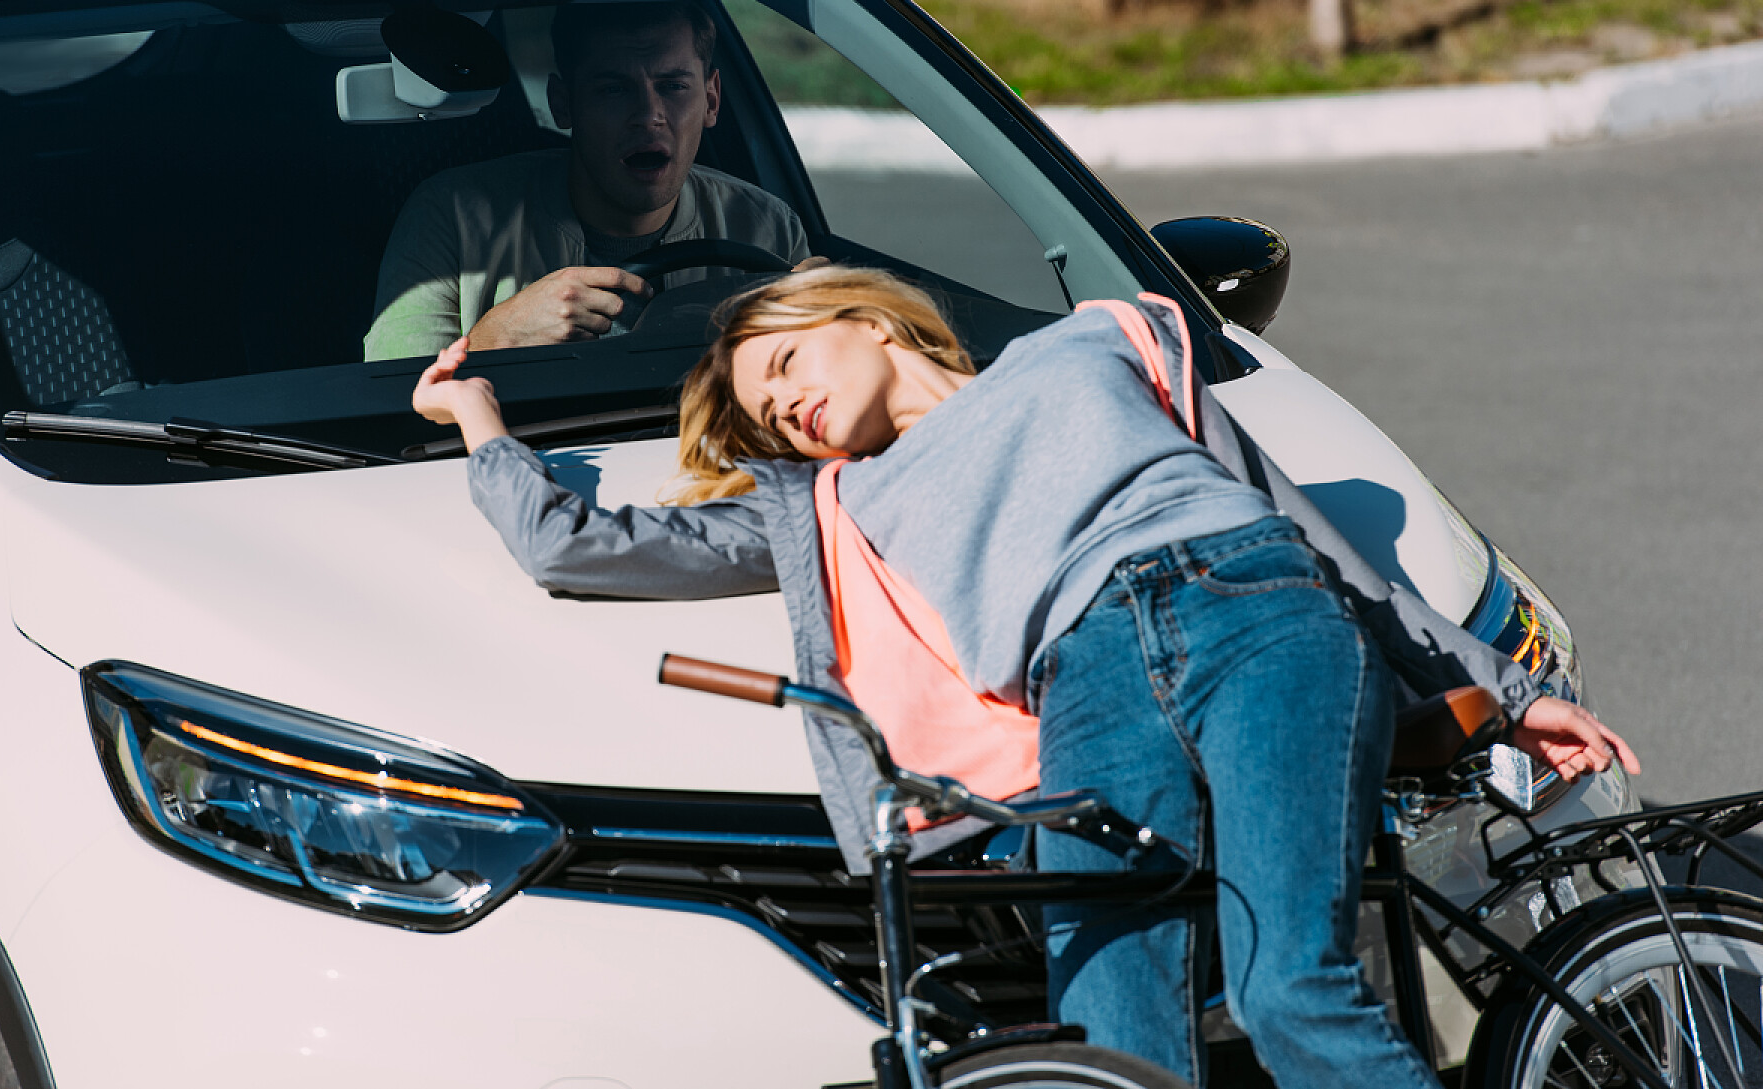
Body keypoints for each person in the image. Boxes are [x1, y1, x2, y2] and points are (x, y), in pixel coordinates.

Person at [411, 267, 1639, 1088]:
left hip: (1255, 606)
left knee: (1290, 990)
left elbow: (1315, 537)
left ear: (867, 319)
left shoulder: (1096, 342)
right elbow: (580, 548)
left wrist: (1508, 690)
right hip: (1088, 675)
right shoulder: (838, 501)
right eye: (764, 411)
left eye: (783, 366)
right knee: (1110, 1025)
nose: (784, 408)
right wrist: (478, 421)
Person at [364, 1, 818, 360]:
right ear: (564, 104)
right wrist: (497, 337)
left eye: (673, 86)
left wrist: (851, 313)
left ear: (712, 99)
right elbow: (390, 409)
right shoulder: (452, 218)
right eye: (613, 89)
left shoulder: (768, 229)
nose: (649, 116)